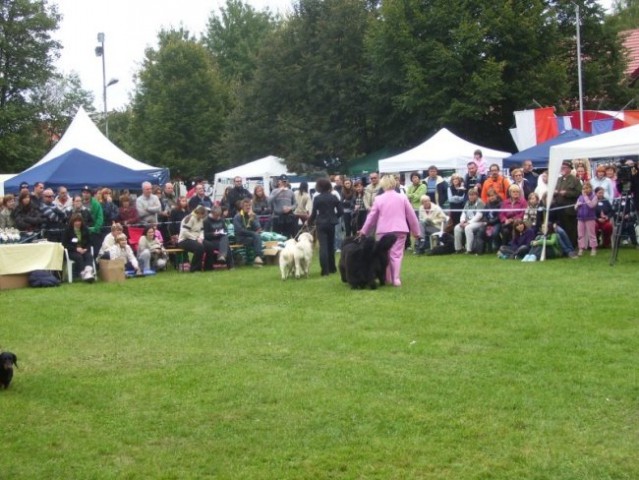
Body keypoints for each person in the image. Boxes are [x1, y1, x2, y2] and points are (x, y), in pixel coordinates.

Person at [359, 175, 420, 287]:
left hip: (383, 230)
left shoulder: (378, 199)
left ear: (382, 185)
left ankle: (387, 278)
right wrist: (416, 232)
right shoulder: (403, 197)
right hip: (400, 230)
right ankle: (396, 279)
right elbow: (411, 216)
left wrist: (364, 230)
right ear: (394, 183)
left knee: (383, 254)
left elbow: (371, 217)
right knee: (396, 255)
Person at [308, 178, 343, 276]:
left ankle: (325, 270)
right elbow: (341, 211)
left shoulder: (317, 198)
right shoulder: (334, 197)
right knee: (331, 246)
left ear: (319, 187)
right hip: (331, 223)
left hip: (321, 223)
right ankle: (332, 268)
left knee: (323, 246)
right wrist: (334, 217)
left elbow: (314, 213)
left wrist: (309, 222)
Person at [178, 205, 217, 272]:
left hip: (196, 239)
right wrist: (196, 238)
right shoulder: (189, 218)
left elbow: (201, 230)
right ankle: (195, 269)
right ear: (199, 213)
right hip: (184, 240)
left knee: (210, 246)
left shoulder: (201, 219)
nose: (204, 217)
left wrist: (201, 238)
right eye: (203, 215)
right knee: (199, 247)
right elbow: (185, 232)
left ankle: (208, 268)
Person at [553, 161, 582, 247]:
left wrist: (566, 193)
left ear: (569, 169)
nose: (562, 169)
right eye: (561, 167)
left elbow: (579, 193)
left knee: (570, 228)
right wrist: (554, 192)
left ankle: (572, 245)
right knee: (561, 227)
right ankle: (563, 246)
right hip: (559, 208)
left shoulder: (575, 180)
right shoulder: (558, 180)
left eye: (564, 167)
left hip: (569, 209)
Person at [62, 213, 96, 281]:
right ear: (72, 222)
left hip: (84, 249)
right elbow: (64, 244)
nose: (78, 223)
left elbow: (90, 242)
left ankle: (88, 272)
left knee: (89, 256)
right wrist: (76, 249)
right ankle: (85, 274)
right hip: (72, 251)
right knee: (79, 257)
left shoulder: (85, 229)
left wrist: (86, 248)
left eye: (79, 221)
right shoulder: (67, 230)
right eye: (76, 221)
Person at [233, 198, 264, 265]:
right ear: (242, 207)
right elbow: (239, 230)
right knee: (256, 237)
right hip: (241, 238)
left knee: (257, 237)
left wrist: (252, 219)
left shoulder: (253, 215)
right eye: (246, 205)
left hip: (253, 236)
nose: (248, 207)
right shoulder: (238, 216)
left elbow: (258, 228)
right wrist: (253, 233)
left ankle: (258, 257)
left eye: (249, 205)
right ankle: (258, 257)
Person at [453, 188, 484, 253]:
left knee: (468, 228)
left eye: (473, 195)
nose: (471, 197)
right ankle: (458, 249)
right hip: (467, 222)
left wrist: (468, 223)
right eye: (470, 195)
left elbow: (479, 216)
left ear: (477, 195)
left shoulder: (480, 202)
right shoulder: (467, 203)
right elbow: (464, 213)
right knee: (457, 228)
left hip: (479, 222)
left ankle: (469, 249)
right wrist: (462, 221)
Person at [575, 182, 598, 256]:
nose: (585, 190)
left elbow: (591, 205)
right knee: (580, 234)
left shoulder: (594, 196)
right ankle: (581, 248)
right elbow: (575, 207)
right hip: (580, 218)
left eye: (587, 188)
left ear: (591, 189)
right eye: (584, 189)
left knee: (591, 234)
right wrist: (577, 205)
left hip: (590, 218)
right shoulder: (580, 197)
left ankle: (593, 248)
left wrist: (586, 197)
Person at [81, 186, 104, 254]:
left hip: (93, 232)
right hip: (81, 232)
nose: (85, 194)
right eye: (84, 192)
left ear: (91, 194)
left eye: (87, 193)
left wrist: (95, 229)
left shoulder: (96, 204)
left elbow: (100, 218)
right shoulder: (79, 202)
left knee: (95, 251)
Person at [483, 188, 503, 252]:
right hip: (488, 222)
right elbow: (485, 214)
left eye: (492, 195)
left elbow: (500, 216)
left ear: (496, 195)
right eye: (489, 196)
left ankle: (498, 245)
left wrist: (491, 222)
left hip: (497, 222)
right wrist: (486, 221)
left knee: (495, 233)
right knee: (481, 230)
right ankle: (488, 247)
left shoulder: (500, 204)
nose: (491, 197)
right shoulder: (487, 204)